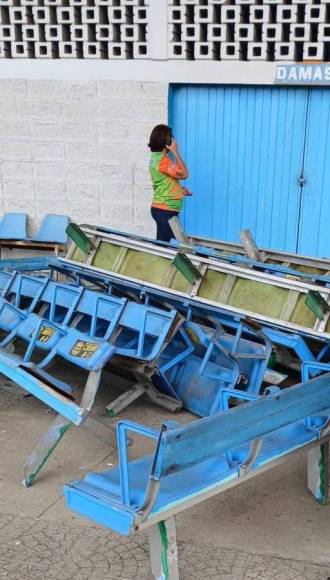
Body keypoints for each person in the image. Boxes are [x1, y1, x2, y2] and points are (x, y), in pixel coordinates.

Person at [148, 124, 192, 242]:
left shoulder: (155, 158)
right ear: (167, 141)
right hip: (165, 211)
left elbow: (162, 182)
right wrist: (175, 151)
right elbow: (184, 173)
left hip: (162, 209)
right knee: (182, 244)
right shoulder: (163, 161)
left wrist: (179, 189)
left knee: (163, 247)